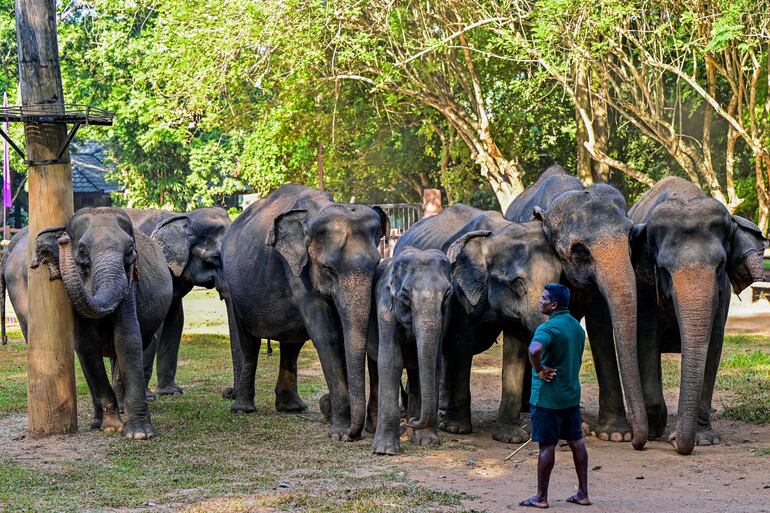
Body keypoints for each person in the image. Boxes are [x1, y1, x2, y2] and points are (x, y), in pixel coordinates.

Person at [519, 283, 591, 508]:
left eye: (544, 298)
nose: (540, 300)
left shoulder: (547, 328)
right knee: (576, 442)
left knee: (547, 446)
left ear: (554, 304)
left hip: (547, 399)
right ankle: (583, 493)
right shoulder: (576, 328)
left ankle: (541, 497)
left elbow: (534, 350)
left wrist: (539, 369)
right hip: (570, 395)